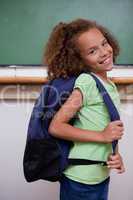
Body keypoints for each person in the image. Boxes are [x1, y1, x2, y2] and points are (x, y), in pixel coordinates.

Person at [43, 18, 125, 200]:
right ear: (78, 60)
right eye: (92, 51)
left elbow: (108, 126)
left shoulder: (109, 85)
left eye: (104, 43)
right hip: (81, 180)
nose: (104, 52)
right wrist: (102, 136)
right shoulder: (87, 82)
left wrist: (116, 155)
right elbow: (56, 126)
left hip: (100, 176)